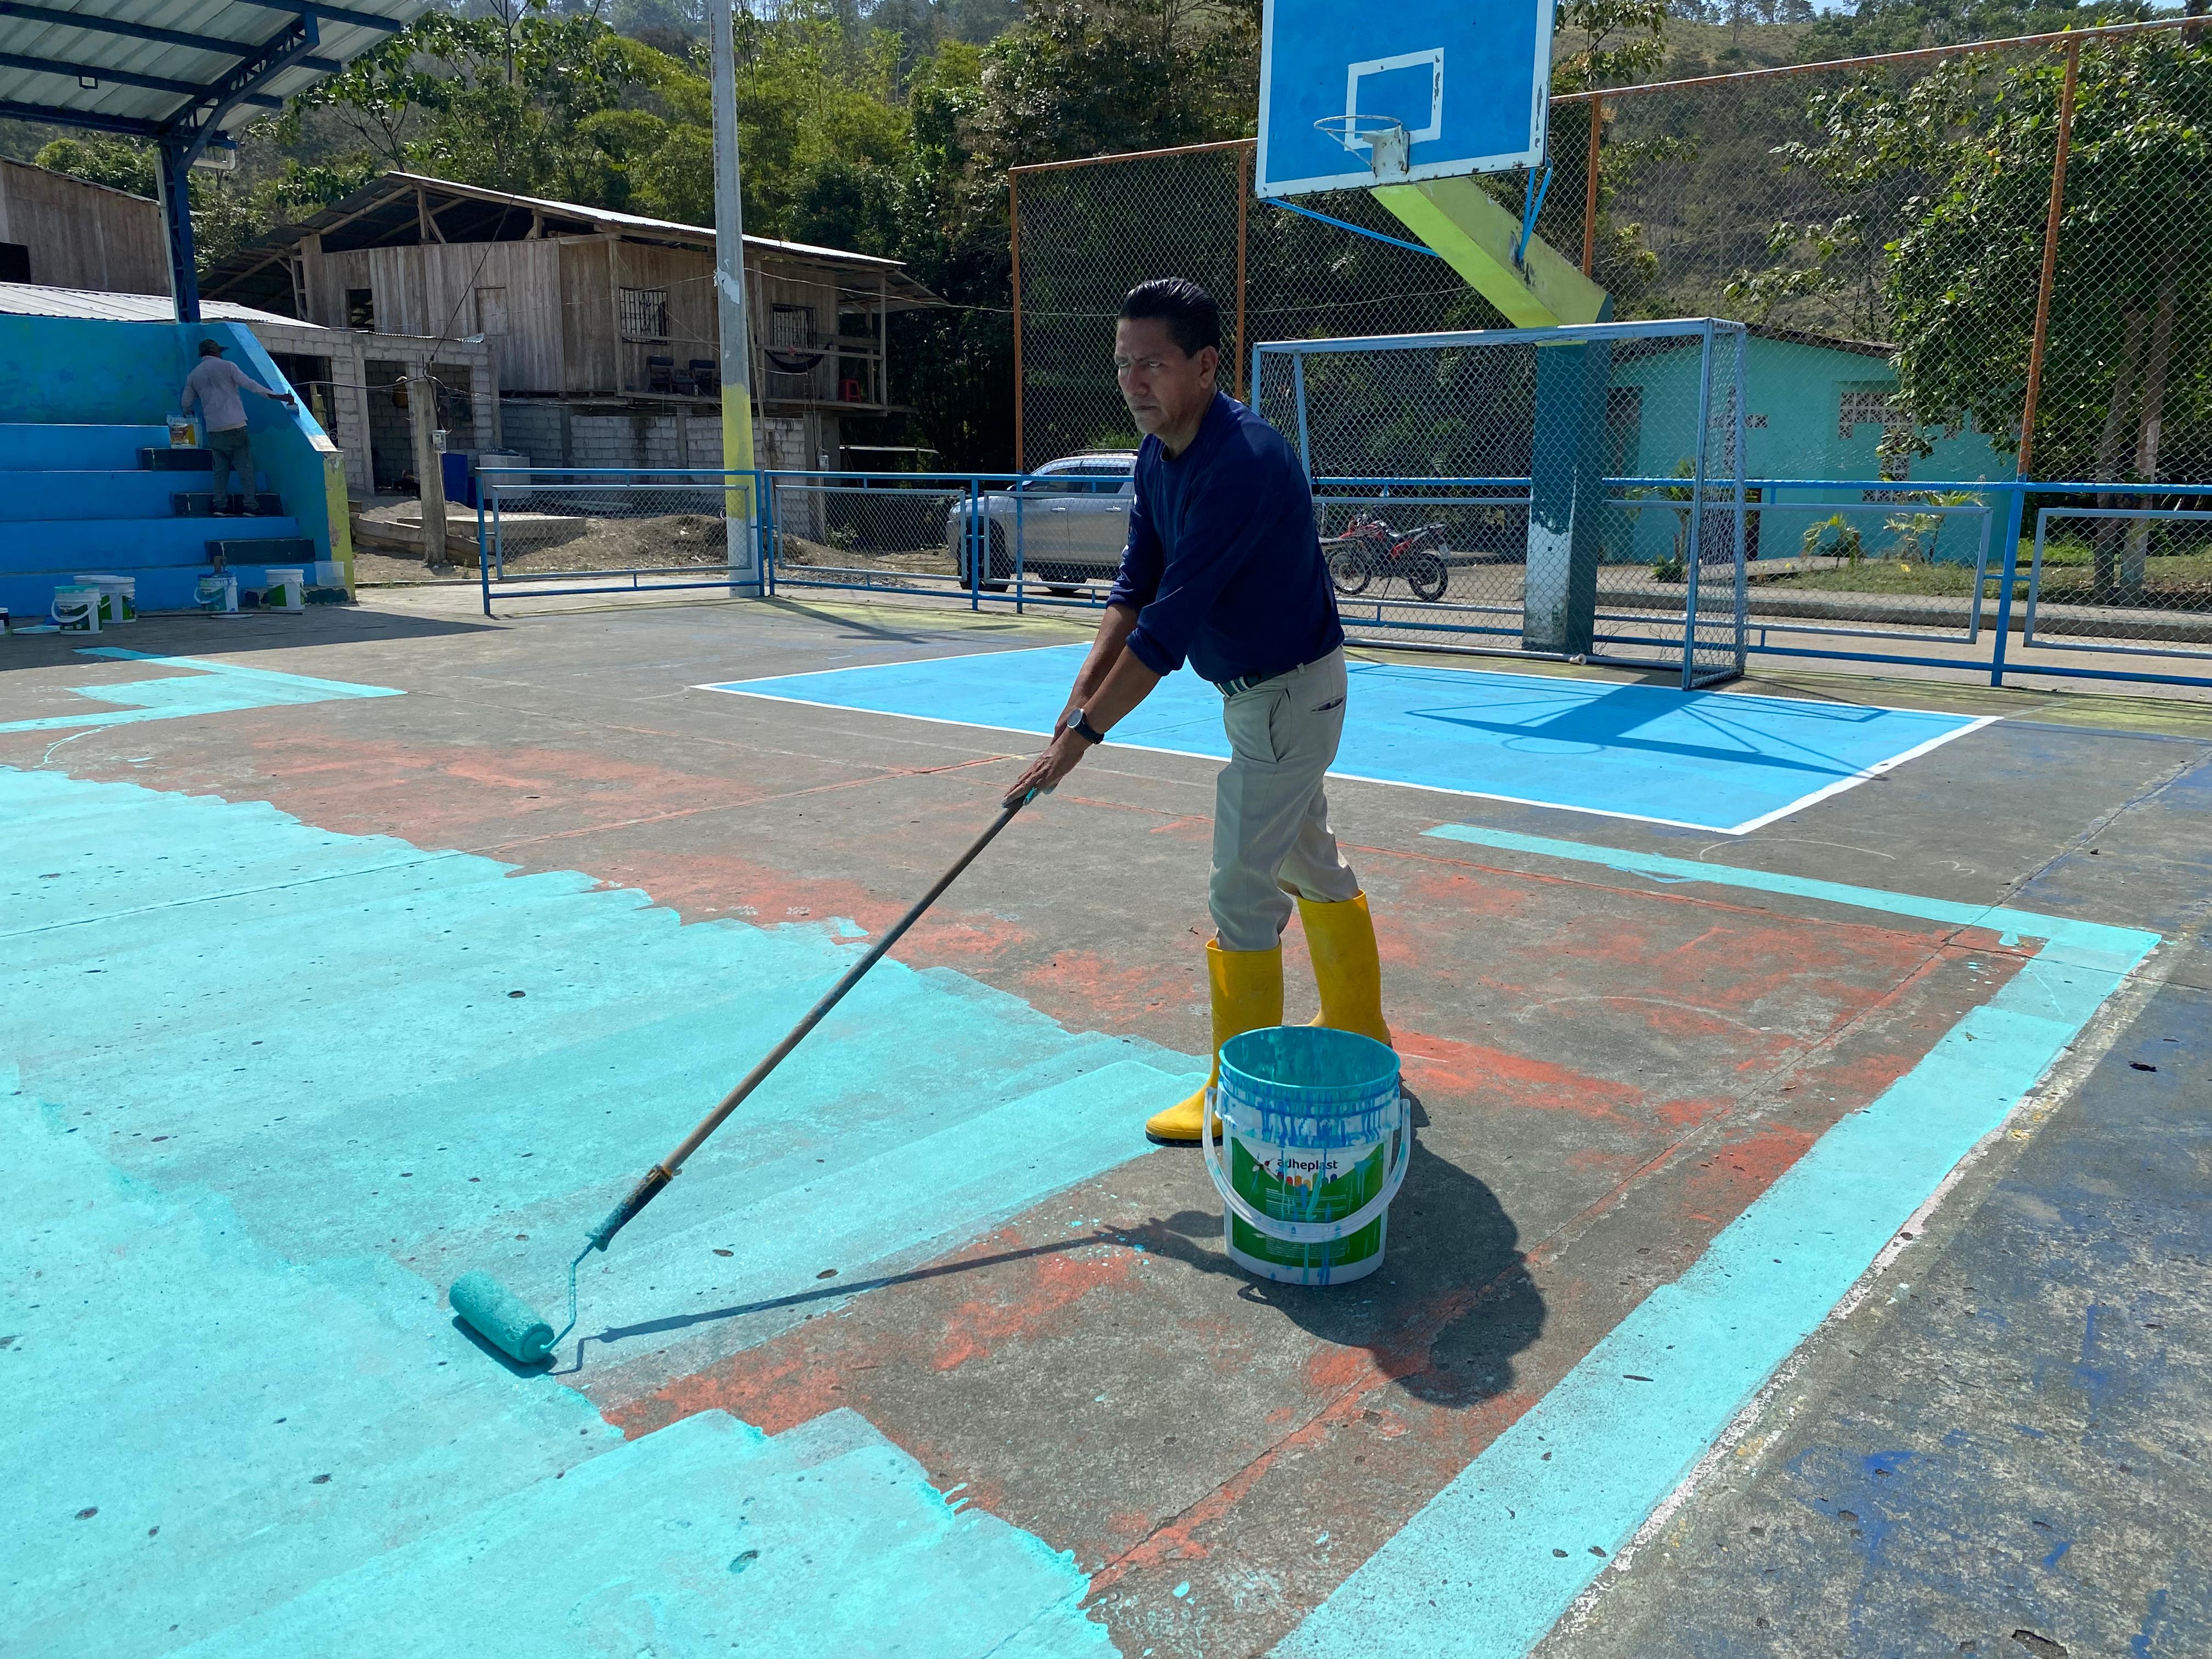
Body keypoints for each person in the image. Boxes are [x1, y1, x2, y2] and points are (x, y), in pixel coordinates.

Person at [1003, 278, 1391, 1146]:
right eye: (1122, 364)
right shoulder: (1158, 455)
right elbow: (1133, 589)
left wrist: (1081, 743)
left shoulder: (1241, 463)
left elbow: (1168, 629)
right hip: (1268, 698)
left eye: (1153, 363)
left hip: (1288, 694)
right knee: (1309, 861)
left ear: (1207, 365)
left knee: (1242, 890)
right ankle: (1360, 1029)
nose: (1133, 381)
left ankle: (1234, 1094)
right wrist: (1075, 705)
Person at [180, 338, 295, 516]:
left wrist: (188, 413)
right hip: (235, 424)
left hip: (214, 429)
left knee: (220, 471)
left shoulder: (193, 375)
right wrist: (277, 396)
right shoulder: (228, 366)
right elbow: (251, 385)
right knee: (245, 469)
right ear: (216, 352)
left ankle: (220, 506)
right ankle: (250, 506)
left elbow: (186, 403)